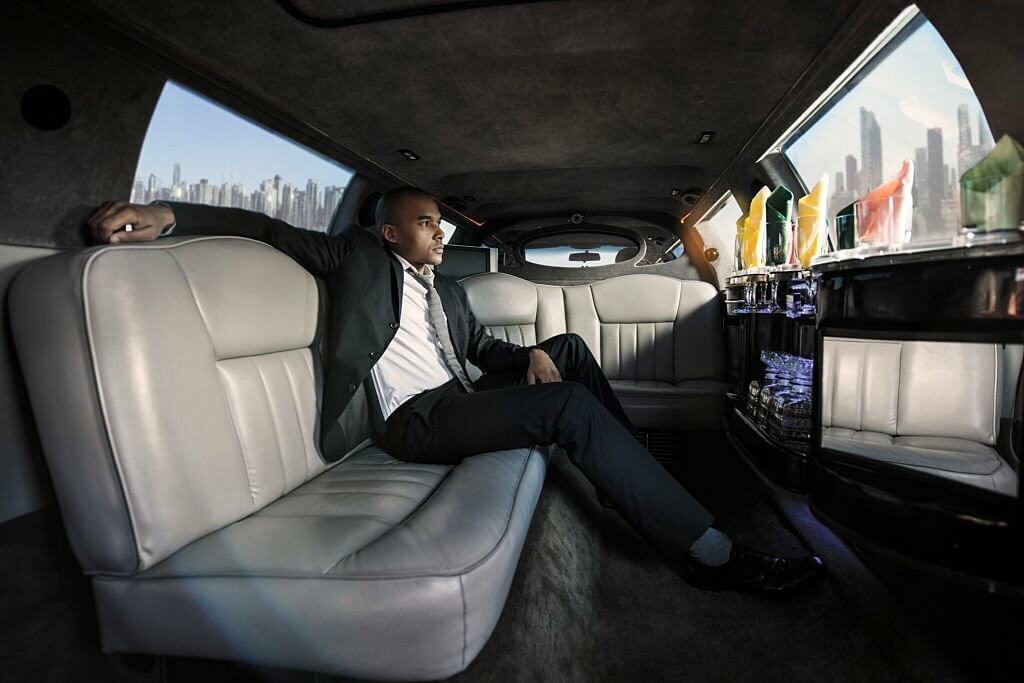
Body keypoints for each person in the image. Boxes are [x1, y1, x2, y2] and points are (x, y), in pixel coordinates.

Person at [86, 188, 823, 594]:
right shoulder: (353, 258)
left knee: (565, 349)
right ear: (388, 231)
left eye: (441, 223)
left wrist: (532, 351)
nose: (440, 233)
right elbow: (268, 228)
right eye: (427, 222)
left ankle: (637, 477)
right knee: (565, 406)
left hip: (461, 396)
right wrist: (171, 215)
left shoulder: (450, 290)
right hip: (415, 421)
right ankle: (711, 554)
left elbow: (481, 353)